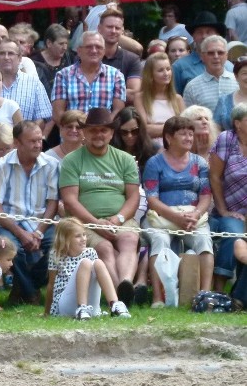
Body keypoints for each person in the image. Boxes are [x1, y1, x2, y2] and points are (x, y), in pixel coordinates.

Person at [59, 107, 140, 306]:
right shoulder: (71, 160)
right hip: (84, 222)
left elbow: (133, 197)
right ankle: (120, 296)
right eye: (93, 130)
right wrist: (96, 223)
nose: (99, 134)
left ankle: (125, 283)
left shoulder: (126, 159)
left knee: (130, 238)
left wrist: (118, 219)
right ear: (84, 133)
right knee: (103, 248)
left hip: (120, 218)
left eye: (104, 130)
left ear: (112, 133)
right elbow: (70, 200)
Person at [142, 116, 213, 307]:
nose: (189, 138)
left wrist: (195, 214)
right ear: (168, 137)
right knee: (160, 240)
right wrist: (175, 217)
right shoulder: (154, 163)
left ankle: (205, 296)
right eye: (183, 134)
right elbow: (152, 199)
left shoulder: (200, 163)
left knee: (204, 241)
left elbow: (206, 196)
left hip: (192, 217)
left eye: (191, 134)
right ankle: (158, 297)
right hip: (160, 217)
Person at [0, 121, 59, 306]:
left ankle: (24, 288)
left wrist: (38, 233)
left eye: (39, 140)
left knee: (60, 247)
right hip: (10, 224)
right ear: (17, 143)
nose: (38, 145)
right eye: (32, 141)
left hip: (42, 224)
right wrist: (21, 234)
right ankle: (31, 293)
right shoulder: (1, 165)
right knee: (9, 247)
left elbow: (53, 203)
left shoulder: (51, 164)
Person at [44, 217, 131, 319]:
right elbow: (51, 285)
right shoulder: (56, 255)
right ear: (65, 239)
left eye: (84, 235)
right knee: (85, 263)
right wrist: (47, 312)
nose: (83, 239)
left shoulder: (90, 252)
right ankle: (82, 308)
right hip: (66, 306)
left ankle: (115, 304)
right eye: (78, 236)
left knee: (98, 263)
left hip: (91, 306)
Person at [0, 40, 51, 133]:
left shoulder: (34, 83)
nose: (6, 57)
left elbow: (43, 118)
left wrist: (25, 135)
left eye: (11, 53)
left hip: (21, 144)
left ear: (19, 58)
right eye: (2, 54)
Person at [209, 103, 247, 292]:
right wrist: (224, 210)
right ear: (238, 123)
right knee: (234, 234)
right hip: (230, 211)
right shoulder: (227, 139)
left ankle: (240, 293)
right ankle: (219, 288)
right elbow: (214, 176)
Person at [52, 31, 125, 124]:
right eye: (89, 47)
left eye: (98, 47)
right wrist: (75, 130)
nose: (94, 50)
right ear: (79, 51)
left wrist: (101, 128)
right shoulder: (63, 76)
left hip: (102, 134)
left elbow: (118, 110)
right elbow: (58, 113)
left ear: (104, 51)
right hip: (73, 134)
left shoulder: (116, 76)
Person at [172, 12, 231, 95]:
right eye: (199, 32)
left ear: (217, 35)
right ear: (193, 36)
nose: (204, 36)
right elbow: (174, 99)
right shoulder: (179, 67)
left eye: (209, 32)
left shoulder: (229, 67)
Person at [136, 52, 185, 144]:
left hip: (175, 147)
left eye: (168, 69)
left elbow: (184, 129)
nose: (166, 73)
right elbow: (144, 130)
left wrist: (155, 127)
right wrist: (173, 127)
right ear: (150, 74)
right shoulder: (140, 98)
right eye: (160, 70)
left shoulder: (178, 99)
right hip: (151, 149)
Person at [182, 35, 238, 115]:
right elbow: (188, 121)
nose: (216, 56)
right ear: (202, 56)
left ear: (226, 56)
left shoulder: (238, 82)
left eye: (220, 52)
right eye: (211, 53)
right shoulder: (192, 87)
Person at [99, 8, 142, 106]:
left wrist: (98, 92)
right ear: (99, 28)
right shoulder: (87, 57)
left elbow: (133, 94)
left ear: (122, 31)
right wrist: (119, 92)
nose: (113, 31)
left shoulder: (132, 59)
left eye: (117, 28)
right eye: (109, 27)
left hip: (121, 116)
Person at [111, 107, 158, 179]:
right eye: (124, 132)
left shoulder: (153, 150)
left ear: (140, 130)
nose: (130, 136)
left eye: (134, 131)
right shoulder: (111, 150)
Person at [30, 23, 75, 97]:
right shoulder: (34, 62)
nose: (65, 47)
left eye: (66, 43)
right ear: (49, 43)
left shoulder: (70, 58)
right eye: (61, 44)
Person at [213, 58, 247, 132]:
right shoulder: (224, 101)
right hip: (228, 143)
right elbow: (215, 129)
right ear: (236, 76)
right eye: (245, 73)